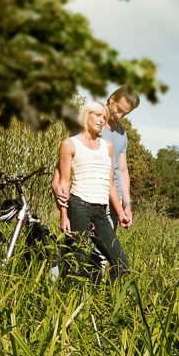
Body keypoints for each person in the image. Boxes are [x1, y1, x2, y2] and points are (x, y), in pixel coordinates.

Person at [57, 100, 129, 278]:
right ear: (86, 115)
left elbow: (110, 183)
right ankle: (66, 292)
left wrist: (121, 213)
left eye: (104, 117)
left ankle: (111, 296)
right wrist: (64, 216)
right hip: (78, 206)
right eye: (97, 115)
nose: (102, 120)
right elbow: (63, 184)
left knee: (121, 263)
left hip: (101, 210)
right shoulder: (69, 144)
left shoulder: (107, 146)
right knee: (76, 262)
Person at [52, 87, 140, 228]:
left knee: (106, 242)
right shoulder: (90, 123)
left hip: (113, 202)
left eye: (125, 113)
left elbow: (122, 170)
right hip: (87, 197)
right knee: (79, 240)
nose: (119, 116)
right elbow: (67, 155)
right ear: (112, 99)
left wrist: (126, 204)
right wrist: (56, 183)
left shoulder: (122, 134)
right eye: (118, 109)